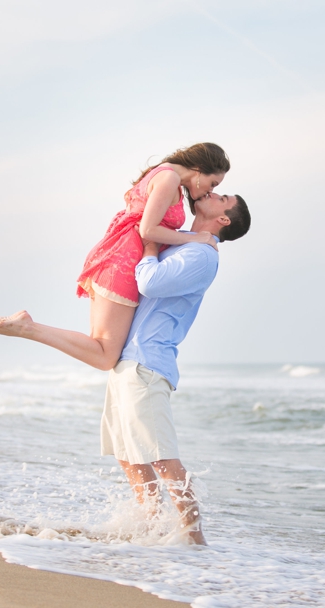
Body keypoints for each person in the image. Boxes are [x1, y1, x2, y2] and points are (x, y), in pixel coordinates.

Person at [0, 143, 230, 370]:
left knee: (101, 348)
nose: (211, 190)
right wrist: (195, 238)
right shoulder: (168, 179)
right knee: (104, 355)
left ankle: (28, 327)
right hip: (122, 261)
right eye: (213, 183)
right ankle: (29, 327)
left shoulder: (165, 174)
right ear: (199, 169)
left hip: (119, 256)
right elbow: (148, 230)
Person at [100, 191, 251, 545]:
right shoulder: (185, 241)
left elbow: (149, 282)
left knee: (163, 459)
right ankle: (148, 528)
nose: (214, 193)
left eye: (223, 196)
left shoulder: (201, 254)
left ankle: (195, 543)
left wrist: (150, 246)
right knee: (129, 456)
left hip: (148, 362)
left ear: (224, 218)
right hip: (128, 358)